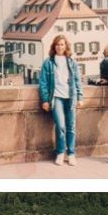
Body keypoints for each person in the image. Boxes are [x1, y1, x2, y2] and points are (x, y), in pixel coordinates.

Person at [38, 35, 83, 166]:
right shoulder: (48, 62)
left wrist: (80, 97)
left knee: (71, 127)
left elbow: (77, 80)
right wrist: (45, 100)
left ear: (66, 46)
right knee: (61, 126)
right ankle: (60, 153)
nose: (60, 47)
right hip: (56, 97)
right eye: (57, 44)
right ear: (54, 46)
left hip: (70, 97)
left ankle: (71, 154)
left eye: (62, 44)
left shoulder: (72, 62)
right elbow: (43, 83)